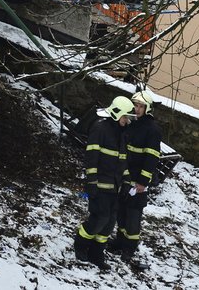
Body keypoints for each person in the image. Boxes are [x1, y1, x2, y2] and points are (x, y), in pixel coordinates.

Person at [74, 95, 136, 271]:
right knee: (99, 218)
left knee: (109, 222)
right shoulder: (100, 128)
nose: (127, 121)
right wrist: (91, 181)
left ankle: (96, 253)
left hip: (114, 187)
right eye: (126, 117)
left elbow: (122, 160)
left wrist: (125, 181)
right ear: (117, 114)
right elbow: (91, 157)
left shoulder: (121, 134)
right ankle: (80, 244)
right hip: (99, 184)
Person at [110, 88, 163, 269]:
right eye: (136, 105)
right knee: (122, 212)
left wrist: (142, 182)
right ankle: (119, 242)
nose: (137, 109)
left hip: (139, 181)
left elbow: (151, 158)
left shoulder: (152, 129)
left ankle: (129, 248)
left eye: (141, 106)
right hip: (126, 178)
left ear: (147, 108)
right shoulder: (132, 124)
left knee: (133, 216)